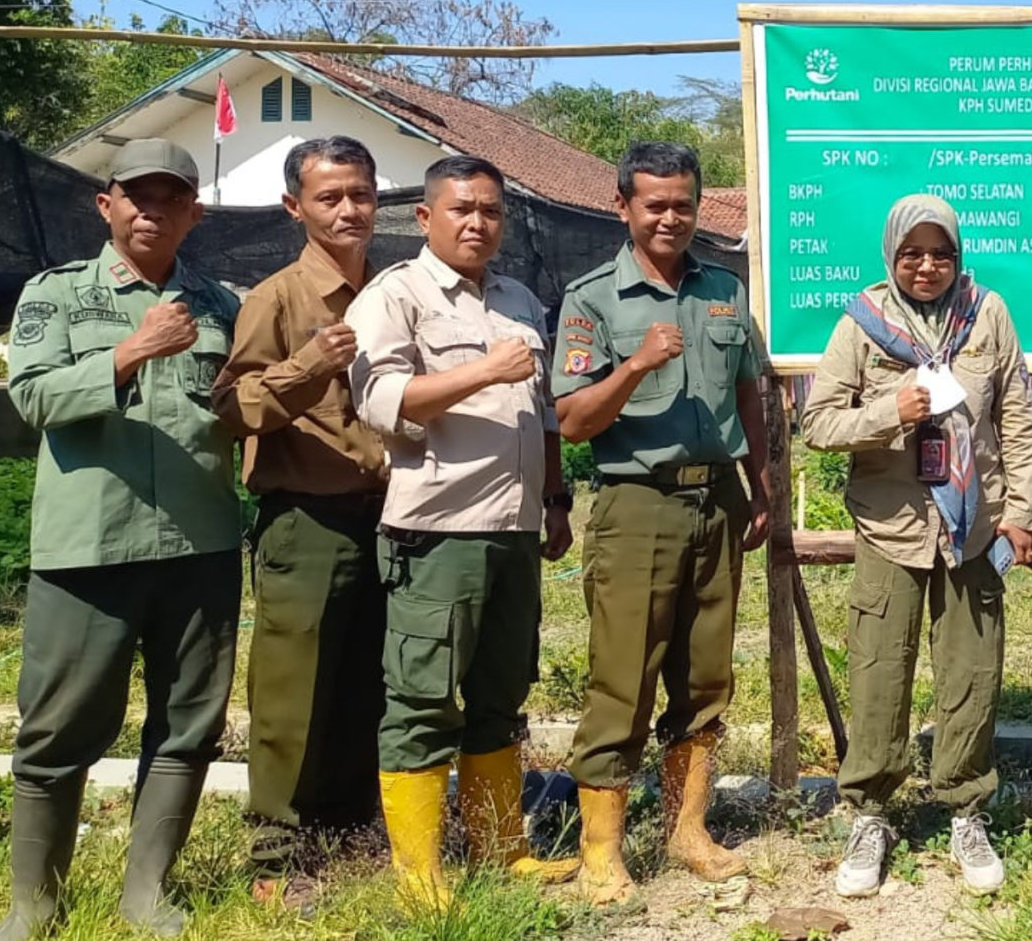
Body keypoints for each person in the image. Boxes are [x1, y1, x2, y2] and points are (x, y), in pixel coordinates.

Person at [0, 139, 242, 939]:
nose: (152, 209)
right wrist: (130, 352)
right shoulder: (57, 294)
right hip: (88, 548)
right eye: (135, 195)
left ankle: (148, 896)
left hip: (199, 543)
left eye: (171, 197)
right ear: (105, 205)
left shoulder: (221, 304)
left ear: (193, 213)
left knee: (187, 724)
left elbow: (240, 409)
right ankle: (33, 906)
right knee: (57, 730)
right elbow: (31, 397)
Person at [802, 195, 1032, 899]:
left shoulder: (987, 313)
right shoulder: (864, 322)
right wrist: (891, 411)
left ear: (958, 255)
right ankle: (870, 813)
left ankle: (966, 808)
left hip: (973, 529)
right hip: (892, 527)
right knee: (880, 670)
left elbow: (1018, 420)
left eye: (941, 252)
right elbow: (817, 421)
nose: (927, 265)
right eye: (913, 252)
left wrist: (1022, 511)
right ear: (892, 253)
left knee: (972, 673)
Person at [347, 155, 577, 909]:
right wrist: (484, 371)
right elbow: (381, 401)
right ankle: (419, 876)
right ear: (425, 216)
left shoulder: (516, 299)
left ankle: (501, 848)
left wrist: (555, 496)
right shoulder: (395, 296)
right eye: (462, 209)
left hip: (513, 529)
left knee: (501, 695)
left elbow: (541, 412)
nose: (478, 223)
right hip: (437, 530)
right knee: (420, 699)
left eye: (491, 211)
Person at [551, 141, 772, 906]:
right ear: (624, 207)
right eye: (655, 203)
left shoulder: (723, 289)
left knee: (706, 674)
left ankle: (688, 829)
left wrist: (763, 479)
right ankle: (601, 849)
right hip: (636, 502)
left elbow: (750, 391)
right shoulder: (592, 299)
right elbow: (574, 421)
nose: (671, 216)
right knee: (622, 676)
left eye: (683, 202)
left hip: (719, 499)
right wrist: (636, 363)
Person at [213, 136, 388, 907]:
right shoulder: (277, 299)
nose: (348, 209)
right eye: (329, 196)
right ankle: (275, 856)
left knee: (366, 683)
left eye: (360, 193)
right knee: (293, 691)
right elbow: (230, 408)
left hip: (387, 518)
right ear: (296, 207)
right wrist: (307, 364)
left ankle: (351, 829)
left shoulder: (394, 291)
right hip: (305, 521)